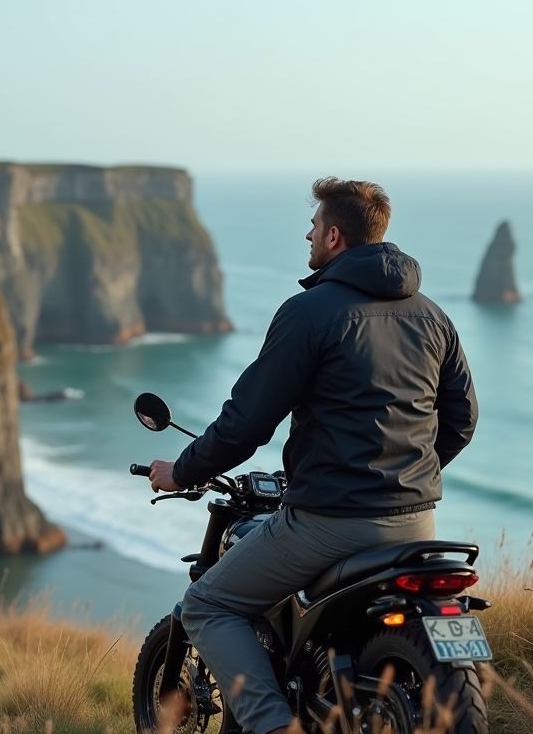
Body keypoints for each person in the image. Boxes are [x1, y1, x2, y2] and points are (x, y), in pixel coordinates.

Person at [147, 177, 477, 734]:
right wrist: (402, 477)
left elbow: (246, 423)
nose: (307, 234)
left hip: (329, 523)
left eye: (313, 226)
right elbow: (461, 420)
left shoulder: (310, 312)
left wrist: (182, 469)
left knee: (209, 606)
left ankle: (275, 724)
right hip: (419, 523)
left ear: (334, 236)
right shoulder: (432, 315)